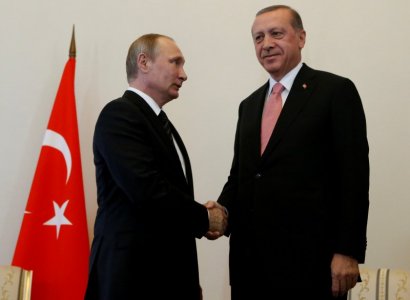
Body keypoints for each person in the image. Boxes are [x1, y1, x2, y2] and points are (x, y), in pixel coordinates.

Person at [216, 5, 369, 299]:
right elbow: (242, 177)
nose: (266, 44)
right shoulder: (248, 106)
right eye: (258, 38)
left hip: (312, 265)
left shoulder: (335, 91)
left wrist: (347, 251)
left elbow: (354, 179)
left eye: (276, 33)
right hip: (250, 267)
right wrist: (219, 213)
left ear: (301, 37)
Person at [84, 33, 227, 300]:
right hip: (132, 280)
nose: (183, 75)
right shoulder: (119, 115)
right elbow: (148, 191)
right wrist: (204, 218)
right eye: (176, 63)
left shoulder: (158, 121)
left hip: (163, 278)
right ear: (144, 62)